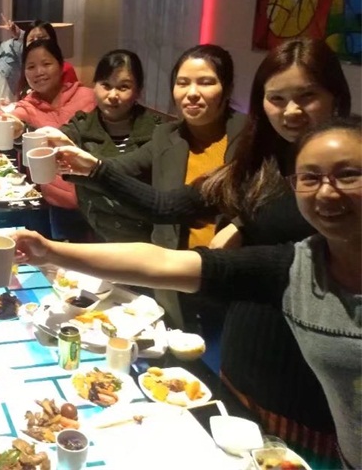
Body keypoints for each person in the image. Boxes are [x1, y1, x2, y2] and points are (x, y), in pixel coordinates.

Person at [48, 38, 351, 466]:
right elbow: (168, 205)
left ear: (336, 96)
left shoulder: (334, 171)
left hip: (311, 372)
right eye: (277, 98)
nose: (291, 111)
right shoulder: (259, 163)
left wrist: (237, 225)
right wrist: (93, 168)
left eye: (307, 96)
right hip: (244, 354)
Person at [59, 49, 169, 242]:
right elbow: (56, 141)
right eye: (106, 85)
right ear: (94, 87)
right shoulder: (82, 126)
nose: (112, 95)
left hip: (147, 241)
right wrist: (21, 132)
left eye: (123, 87)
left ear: (138, 90)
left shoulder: (159, 130)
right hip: (99, 236)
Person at [0, 39, 96, 241]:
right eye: (31, 67)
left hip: (98, 199)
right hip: (61, 205)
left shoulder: (88, 97)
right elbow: (13, 118)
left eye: (46, 64)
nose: (39, 72)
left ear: (61, 64)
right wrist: (7, 123)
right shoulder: (28, 106)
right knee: (64, 258)